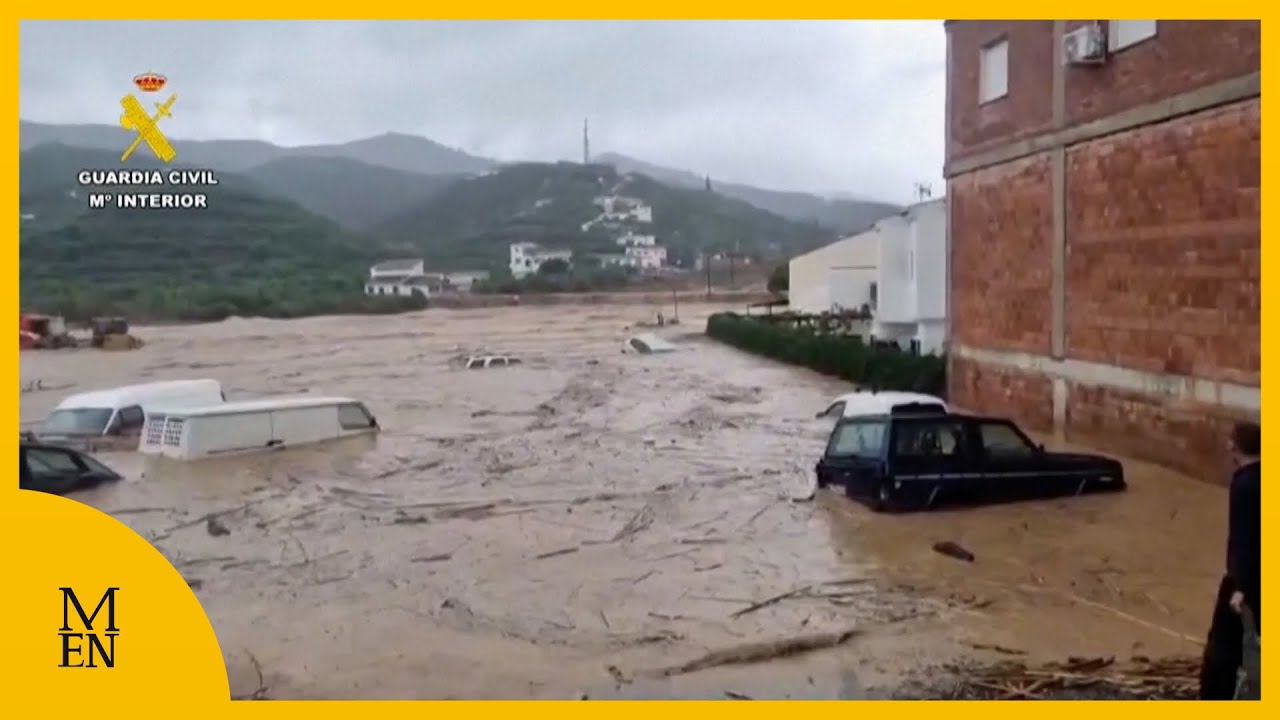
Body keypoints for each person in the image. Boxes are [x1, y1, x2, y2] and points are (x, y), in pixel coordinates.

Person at [1198, 421, 1261, 699]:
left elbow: (1245, 538)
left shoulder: (1245, 484)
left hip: (1246, 581)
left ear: (1235, 447)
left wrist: (1240, 587)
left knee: (1221, 652)